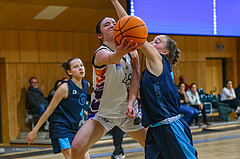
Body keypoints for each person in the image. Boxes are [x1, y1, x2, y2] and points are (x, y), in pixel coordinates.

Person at [111, 0, 197, 158]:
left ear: (164, 52)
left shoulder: (158, 61)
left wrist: (115, 2)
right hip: (155, 130)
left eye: (157, 42)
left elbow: (129, 26)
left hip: (171, 128)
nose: (151, 43)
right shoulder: (156, 69)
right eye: (152, 40)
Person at [71, 10, 147, 159]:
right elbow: (112, 57)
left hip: (128, 112)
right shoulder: (100, 53)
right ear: (100, 35)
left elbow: (135, 82)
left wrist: (131, 103)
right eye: (107, 25)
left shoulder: (133, 53)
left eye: (114, 22)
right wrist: (120, 52)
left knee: (156, 145)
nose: (112, 25)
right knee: (77, 148)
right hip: (103, 113)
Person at [26, 57, 90, 159]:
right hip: (61, 127)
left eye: (81, 65)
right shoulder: (64, 88)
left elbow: (77, 103)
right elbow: (50, 109)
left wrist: (85, 111)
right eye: (76, 67)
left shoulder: (86, 85)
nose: (81, 68)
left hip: (76, 127)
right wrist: (34, 131)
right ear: (69, 72)